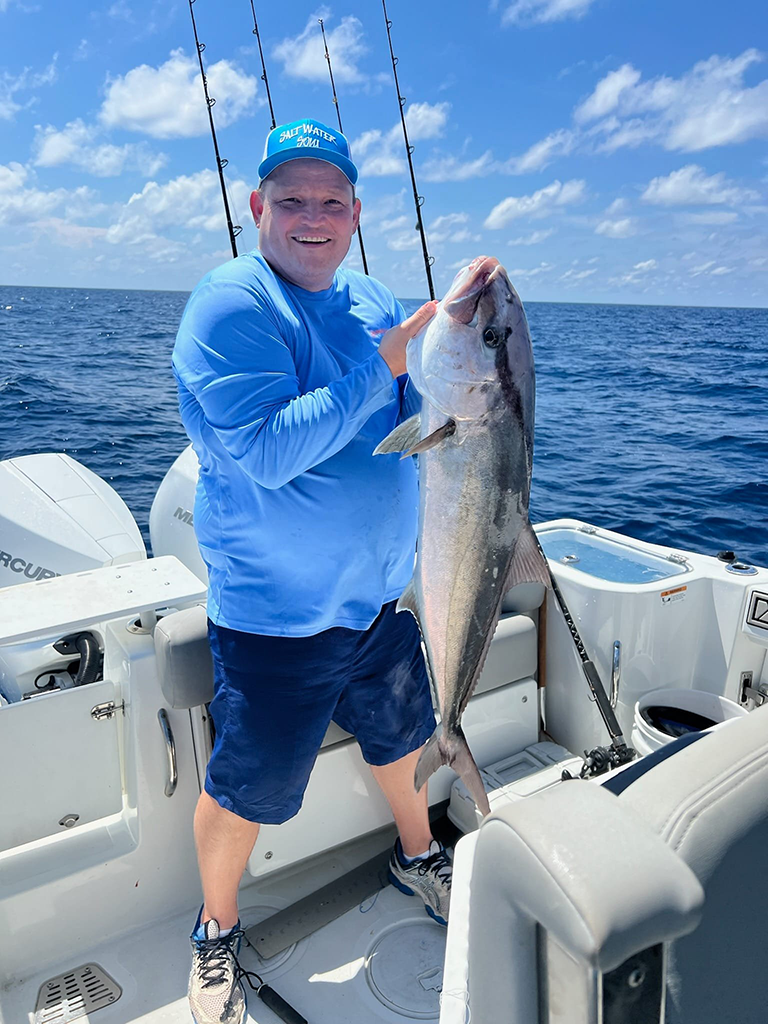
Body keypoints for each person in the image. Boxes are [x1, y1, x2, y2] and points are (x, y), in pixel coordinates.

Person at [172, 118, 452, 1024]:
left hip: (377, 600)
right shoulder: (232, 304)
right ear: (257, 207)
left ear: (356, 213)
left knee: (405, 735)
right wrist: (384, 368)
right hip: (275, 619)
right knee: (248, 787)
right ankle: (215, 931)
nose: (313, 216)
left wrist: (466, 380)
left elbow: (418, 412)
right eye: (291, 198)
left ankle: (419, 857)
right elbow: (262, 451)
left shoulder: (372, 297)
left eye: (332, 200)